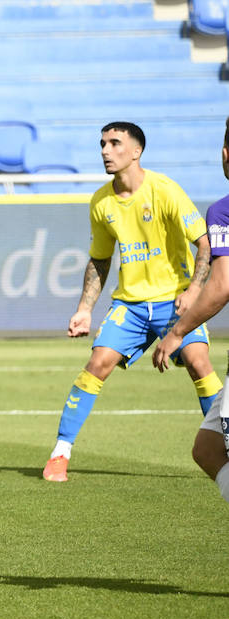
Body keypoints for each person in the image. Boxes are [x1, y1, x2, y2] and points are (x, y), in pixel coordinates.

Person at [43, 122, 219, 482]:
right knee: (98, 363)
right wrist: (85, 309)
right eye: (103, 144)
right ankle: (60, 453)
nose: (106, 150)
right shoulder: (101, 202)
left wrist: (194, 291)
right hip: (132, 305)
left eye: (115, 143)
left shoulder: (165, 190)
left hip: (175, 300)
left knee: (199, 362)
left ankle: (226, 445)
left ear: (136, 151)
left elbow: (204, 243)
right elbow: (100, 259)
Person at [151, 118, 229, 505]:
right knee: (207, 447)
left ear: (225, 155)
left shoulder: (223, 212)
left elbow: (222, 284)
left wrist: (177, 332)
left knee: (217, 450)